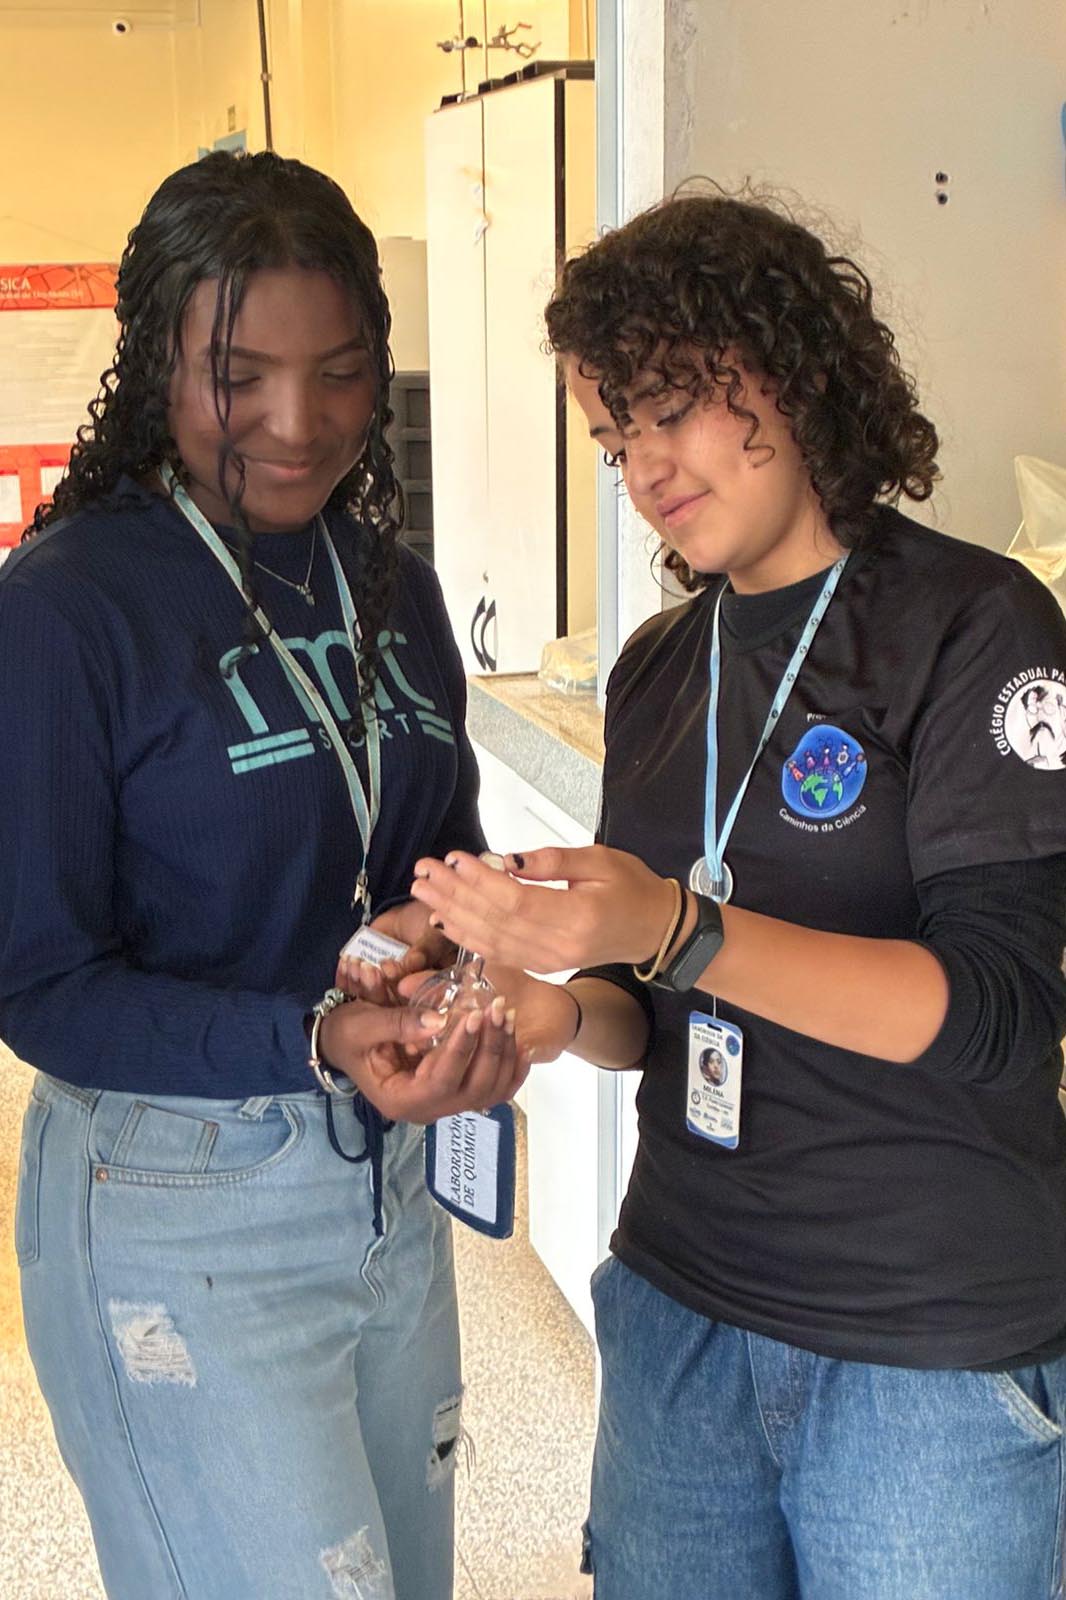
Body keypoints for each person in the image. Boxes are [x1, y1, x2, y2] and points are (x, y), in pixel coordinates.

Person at [405, 190, 1066, 1599]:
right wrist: (550, 1008)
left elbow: (1000, 1017)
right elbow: (645, 1009)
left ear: (792, 369)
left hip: (922, 1349)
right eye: (613, 439)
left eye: (670, 411)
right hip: (680, 1306)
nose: (643, 468)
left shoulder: (975, 623)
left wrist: (671, 924)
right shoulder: (661, 663)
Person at [1, 150, 528, 1600]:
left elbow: (434, 858)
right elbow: (39, 986)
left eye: (343, 372)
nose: (301, 426)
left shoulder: (393, 585)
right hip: (178, 1199)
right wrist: (309, 1034)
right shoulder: (67, 609)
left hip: (386, 1185)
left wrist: (440, 970)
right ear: (157, 363)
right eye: (239, 376)